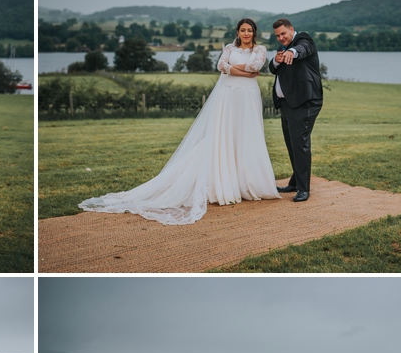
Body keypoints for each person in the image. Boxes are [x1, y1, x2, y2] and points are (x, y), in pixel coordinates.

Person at [78, 18, 280, 225]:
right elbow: (222, 65)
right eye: (242, 30)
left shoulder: (260, 49)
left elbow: (256, 65)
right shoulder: (229, 47)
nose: (246, 33)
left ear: (254, 32)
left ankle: (248, 182)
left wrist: (233, 68)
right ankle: (224, 183)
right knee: (224, 135)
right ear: (237, 32)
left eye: (249, 30)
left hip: (247, 96)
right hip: (228, 95)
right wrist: (243, 71)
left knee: (248, 135)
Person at [267, 19, 323, 202]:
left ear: (291, 29)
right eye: (277, 36)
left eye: (283, 33)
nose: (281, 38)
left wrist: (292, 51)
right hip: (288, 104)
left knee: (300, 144)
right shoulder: (282, 50)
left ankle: (303, 189)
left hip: (305, 102)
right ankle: (294, 182)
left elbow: (303, 48)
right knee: (292, 144)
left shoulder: (303, 40)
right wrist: (275, 61)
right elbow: (273, 70)